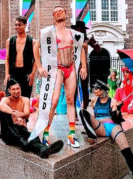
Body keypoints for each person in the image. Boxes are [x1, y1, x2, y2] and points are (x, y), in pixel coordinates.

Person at [32, 6, 87, 148]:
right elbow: (35, 47)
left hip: (71, 68)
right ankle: (45, 134)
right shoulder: (49, 33)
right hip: (57, 69)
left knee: (70, 100)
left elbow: (81, 48)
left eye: (61, 10)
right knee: (54, 100)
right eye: (55, 11)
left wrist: (84, 66)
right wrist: (39, 66)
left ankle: (72, 134)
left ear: (66, 14)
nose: (58, 12)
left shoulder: (72, 33)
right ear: (53, 16)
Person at [79, 80, 133, 179]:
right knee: (82, 112)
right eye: (94, 88)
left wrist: (118, 108)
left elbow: (115, 117)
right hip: (100, 127)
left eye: (96, 88)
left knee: (126, 150)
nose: (94, 90)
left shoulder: (113, 101)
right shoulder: (94, 101)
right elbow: (92, 117)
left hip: (113, 126)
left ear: (102, 90)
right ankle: (92, 135)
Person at [0, 79, 64, 159]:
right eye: (13, 89)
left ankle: (43, 150)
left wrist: (20, 116)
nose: (16, 91)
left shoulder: (25, 99)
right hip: (8, 133)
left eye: (17, 88)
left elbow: (27, 114)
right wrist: (13, 113)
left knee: (31, 137)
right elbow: (1, 106)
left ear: (20, 89)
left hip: (20, 129)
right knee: (4, 112)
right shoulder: (6, 99)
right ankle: (31, 144)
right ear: (9, 91)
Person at [4, 16, 36, 98]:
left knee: (25, 97)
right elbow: (7, 59)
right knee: (10, 97)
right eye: (16, 25)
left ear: (25, 25)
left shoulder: (32, 41)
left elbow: (36, 60)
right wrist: (7, 74)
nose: (17, 27)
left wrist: (32, 74)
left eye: (19, 25)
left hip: (26, 73)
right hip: (13, 73)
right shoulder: (10, 41)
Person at [71, 20, 90, 109]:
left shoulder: (86, 39)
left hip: (83, 65)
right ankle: (74, 109)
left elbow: (97, 49)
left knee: (84, 87)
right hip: (74, 64)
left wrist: (93, 43)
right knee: (73, 88)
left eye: (81, 29)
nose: (79, 30)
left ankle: (85, 107)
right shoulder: (72, 38)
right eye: (77, 28)